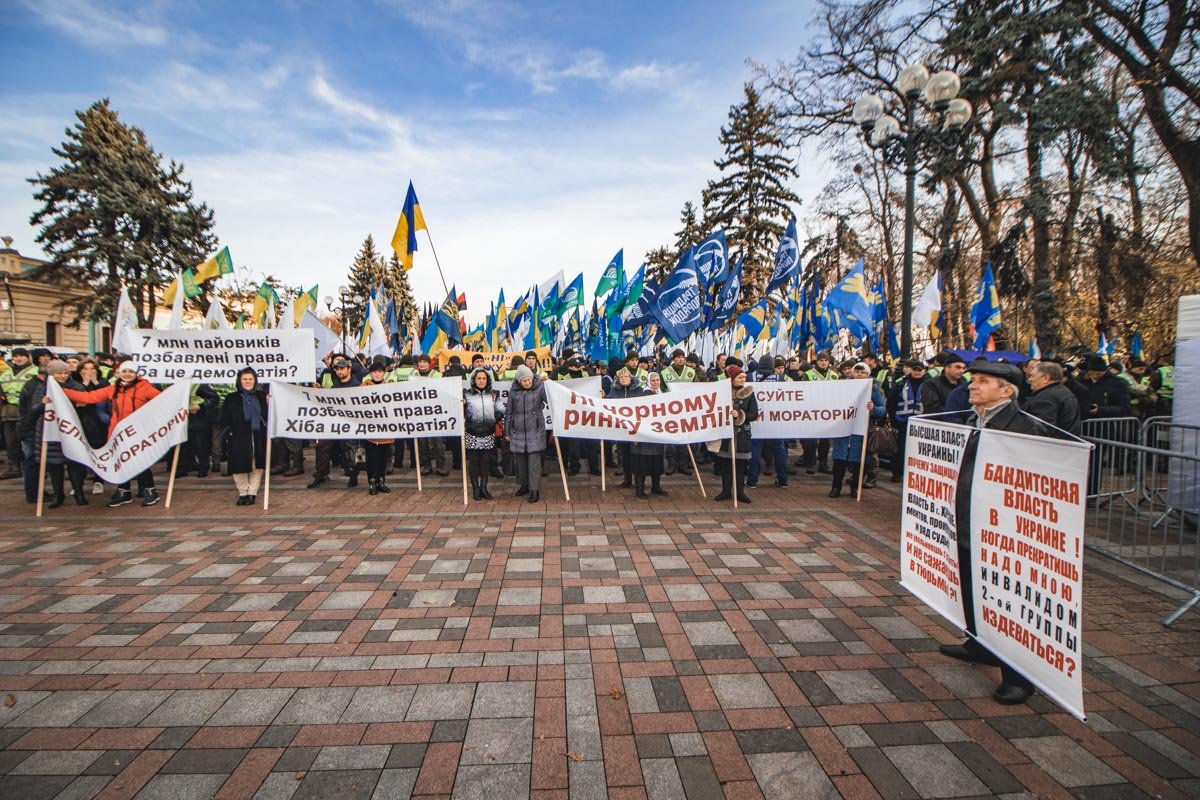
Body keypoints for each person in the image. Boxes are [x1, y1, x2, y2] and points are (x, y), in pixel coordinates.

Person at [939, 360, 1046, 705]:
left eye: (983, 381)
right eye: (973, 380)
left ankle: (1019, 677)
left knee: (1006, 600)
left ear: (1006, 391)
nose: (972, 386)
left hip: (1003, 531)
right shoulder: (975, 420)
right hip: (970, 520)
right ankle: (979, 644)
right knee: (970, 587)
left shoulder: (1024, 427)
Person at [63, 361, 162, 507]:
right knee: (120, 463)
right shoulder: (113, 388)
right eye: (124, 371)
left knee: (141, 461)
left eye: (131, 371)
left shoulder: (145, 388)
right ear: (119, 373)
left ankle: (150, 491)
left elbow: (163, 402)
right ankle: (124, 492)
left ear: (136, 373)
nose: (127, 374)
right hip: (117, 434)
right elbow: (89, 397)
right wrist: (61, 391)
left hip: (137, 432)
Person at [29, 360, 88, 507]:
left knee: (74, 463)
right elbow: (33, 411)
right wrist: (43, 404)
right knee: (55, 465)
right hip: (50, 431)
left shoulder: (76, 387)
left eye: (65, 373)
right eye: (58, 373)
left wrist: (82, 403)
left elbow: (86, 404)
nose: (62, 376)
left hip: (70, 430)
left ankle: (78, 493)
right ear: (51, 374)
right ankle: (58, 495)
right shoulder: (42, 389)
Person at [829, 363, 886, 498]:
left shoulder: (873, 388)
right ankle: (836, 487)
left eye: (863, 373)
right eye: (857, 372)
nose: (859, 375)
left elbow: (882, 409)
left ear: (867, 374)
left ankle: (855, 487)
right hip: (843, 427)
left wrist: (873, 409)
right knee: (839, 459)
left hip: (862, 429)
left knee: (860, 460)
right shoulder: (843, 386)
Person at [307, 357, 362, 489]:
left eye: (342, 369)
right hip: (334, 423)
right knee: (322, 445)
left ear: (349, 369)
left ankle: (353, 474)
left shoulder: (356, 385)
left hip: (351, 423)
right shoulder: (335, 385)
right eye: (337, 369)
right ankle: (321, 474)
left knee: (351, 450)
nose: (339, 372)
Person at [221, 367, 269, 505]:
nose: (248, 382)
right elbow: (224, 418)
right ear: (239, 381)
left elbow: (268, 415)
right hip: (238, 437)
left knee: (257, 465)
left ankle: (252, 493)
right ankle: (243, 493)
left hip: (258, 436)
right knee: (239, 466)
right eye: (244, 379)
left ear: (255, 381)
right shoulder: (232, 398)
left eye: (250, 379)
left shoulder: (261, 396)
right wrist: (229, 432)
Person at [711, 365, 757, 503]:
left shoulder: (749, 394)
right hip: (727, 433)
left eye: (744, 377)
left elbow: (754, 414)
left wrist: (740, 414)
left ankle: (740, 492)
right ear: (732, 378)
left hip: (742, 434)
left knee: (740, 466)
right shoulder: (723, 393)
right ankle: (725, 491)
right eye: (740, 377)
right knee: (726, 464)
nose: (743, 379)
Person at [747, 355, 789, 489]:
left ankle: (752, 480)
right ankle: (783, 479)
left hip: (757, 419)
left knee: (755, 451)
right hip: (775, 419)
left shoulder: (750, 377)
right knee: (779, 450)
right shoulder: (780, 378)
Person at [463, 367, 504, 501]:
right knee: (474, 460)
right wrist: (462, 406)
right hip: (472, 431)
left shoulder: (494, 394)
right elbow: (460, 411)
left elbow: (501, 409)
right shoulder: (466, 394)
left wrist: (493, 418)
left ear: (488, 380)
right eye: (479, 378)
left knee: (486, 460)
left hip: (488, 431)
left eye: (484, 378)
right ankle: (475, 488)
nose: (481, 381)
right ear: (474, 380)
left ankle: (484, 488)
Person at [507, 365, 546, 503]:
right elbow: (509, 412)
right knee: (521, 460)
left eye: (529, 380)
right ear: (519, 381)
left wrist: (549, 384)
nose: (527, 383)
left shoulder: (540, 388)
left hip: (534, 429)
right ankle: (524, 485)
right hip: (518, 430)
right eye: (524, 381)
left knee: (534, 462)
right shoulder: (513, 391)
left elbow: (551, 400)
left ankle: (534, 490)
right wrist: (507, 431)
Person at [73, 359, 110, 494]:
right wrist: (85, 383)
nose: (89, 371)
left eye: (92, 369)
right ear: (80, 371)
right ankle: (78, 483)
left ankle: (98, 481)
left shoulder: (103, 382)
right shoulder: (75, 383)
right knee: (80, 453)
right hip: (82, 421)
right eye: (86, 369)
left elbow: (106, 396)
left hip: (98, 422)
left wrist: (95, 382)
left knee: (99, 452)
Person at [887, 360, 928, 482]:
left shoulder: (929, 385)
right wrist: (893, 419)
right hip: (902, 422)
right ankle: (897, 473)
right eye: (914, 369)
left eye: (919, 370)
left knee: (917, 449)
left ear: (924, 371)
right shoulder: (901, 384)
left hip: (921, 423)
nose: (916, 372)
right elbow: (891, 402)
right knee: (900, 449)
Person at [360, 358, 395, 495]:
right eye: (374, 372)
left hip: (385, 430)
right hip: (370, 431)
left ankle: (381, 481)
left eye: (380, 372)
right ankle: (372, 481)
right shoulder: (364, 387)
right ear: (371, 373)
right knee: (372, 457)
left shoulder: (389, 387)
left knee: (383, 457)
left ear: (384, 373)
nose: (377, 374)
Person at [0, 347, 36, 479]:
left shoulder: (35, 371)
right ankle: (14, 467)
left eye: (21, 355)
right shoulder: (6, 373)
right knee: (11, 442)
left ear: (28, 357)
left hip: (28, 413)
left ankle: (33, 467)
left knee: (29, 443)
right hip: (9, 412)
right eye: (15, 356)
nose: (18, 358)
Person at [412, 355, 451, 476]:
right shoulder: (413, 377)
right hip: (419, 414)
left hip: (435, 414)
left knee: (437, 441)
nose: (422, 364)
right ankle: (427, 466)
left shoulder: (438, 375)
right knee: (422, 443)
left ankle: (440, 465)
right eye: (420, 362)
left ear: (429, 364)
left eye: (424, 362)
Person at [801, 351, 838, 474]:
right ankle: (810, 463)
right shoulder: (808, 375)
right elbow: (803, 392)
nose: (823, 363)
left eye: (826, 360)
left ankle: (823, 463)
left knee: (825, 440)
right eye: (821, 360)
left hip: (828, 411)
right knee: (811, 439)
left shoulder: (834, 375)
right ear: (817, 361)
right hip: (813, 410)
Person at [633, 372, 669, 498]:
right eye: (653, 380)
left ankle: (656, 486)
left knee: (657, 462)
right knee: (642, 463)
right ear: (648, 381)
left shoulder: (662, 394)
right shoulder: (644, 395)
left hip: (657, 435)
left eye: (657, 380)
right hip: (644, 436)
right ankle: (639, 488)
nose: (655, 382)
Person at [1022, 360, 1081, 435]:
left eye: (1033, 376)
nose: (1030, 379)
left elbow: (1042, 429)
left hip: (1049, 444)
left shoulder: (1046, 398)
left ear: (1046, 378)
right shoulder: (1063, 392)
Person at [606, 368, 641, 487]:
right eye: (621, 377)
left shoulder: (639, 390)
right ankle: (627, 479)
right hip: (621, 429)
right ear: (618, 379)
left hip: (636, 429)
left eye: (626, 376)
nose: (624, 378)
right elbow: (608, 405)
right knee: (624, 455)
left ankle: (638, 480)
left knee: (636, 456)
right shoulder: (614, 391)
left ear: (631, 378)